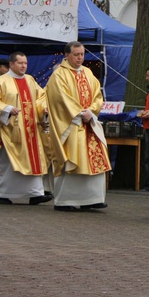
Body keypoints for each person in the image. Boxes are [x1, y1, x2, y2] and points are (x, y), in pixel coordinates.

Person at [46, 41, 111, 211]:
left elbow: (97, 95)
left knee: (94, 159)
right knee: (72, 157)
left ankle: (92, 198)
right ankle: (67, 200)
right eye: (76, 54)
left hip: (89, 124)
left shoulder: (88, 73)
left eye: (82, 54)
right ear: (66, 55)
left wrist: (91, 110)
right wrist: (81, 113)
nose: (80, 58)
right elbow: (60, 99)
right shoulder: (59, 75)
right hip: (71, 124)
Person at [0, 52, 52, 205]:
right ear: (11, 64)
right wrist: (8, 109)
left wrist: (44, 109)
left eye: (26, 63)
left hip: (30, 131)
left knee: (33, 159)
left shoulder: (30, 80)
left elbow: (41, 97)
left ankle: (35, 194)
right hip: (10, 130)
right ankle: (3, 194)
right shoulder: (1, 82)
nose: (24, 66)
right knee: (8, 163)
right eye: (20, 63)